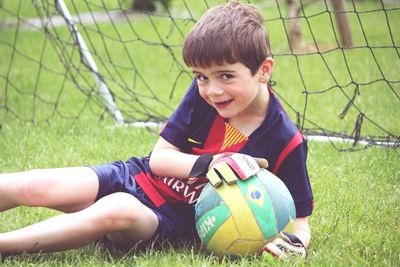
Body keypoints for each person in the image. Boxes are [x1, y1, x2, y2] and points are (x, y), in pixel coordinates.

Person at [0, 1, 313, 260]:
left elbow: (300, 220)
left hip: (172, 218)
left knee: (115, 209)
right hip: (138, 176)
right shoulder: (205, 94)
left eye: (226, 76)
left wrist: (295, 245)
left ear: (264, 70)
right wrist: (211, 163)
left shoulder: (286, 140)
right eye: (201, 77)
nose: (213, 90)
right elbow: (159, 160)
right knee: (36, 186)